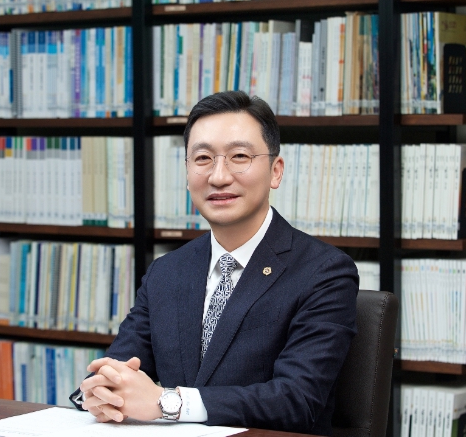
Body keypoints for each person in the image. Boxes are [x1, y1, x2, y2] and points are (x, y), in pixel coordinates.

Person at [69, 90, 359, 436]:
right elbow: (117, 370)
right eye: (203, 158)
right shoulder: (167, 271)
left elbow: (297, 400)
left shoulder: (323, 272)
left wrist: (168, 402)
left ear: (275, 171)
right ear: (187, 173)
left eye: (239, 156)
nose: (219, 176)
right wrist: (100, 392)